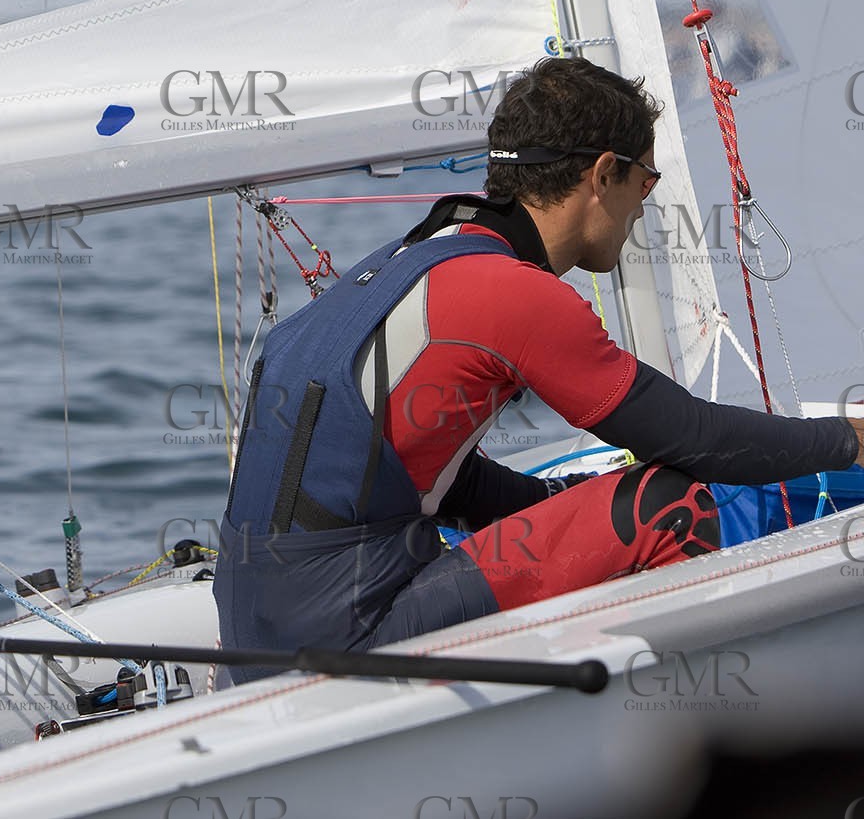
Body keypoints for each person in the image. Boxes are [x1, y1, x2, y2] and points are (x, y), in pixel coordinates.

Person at [214, 56, 864, 683]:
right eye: (646, 180)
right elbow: (699, 440)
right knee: (664, 500)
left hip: (254, 635)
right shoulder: (512, 292)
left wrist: (556, 503)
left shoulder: (413, 261)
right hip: (352, 635)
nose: (645, 205)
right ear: (604, 173)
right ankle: (673, 734)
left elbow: (442, 476)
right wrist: (848, 441)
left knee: (594, 498)